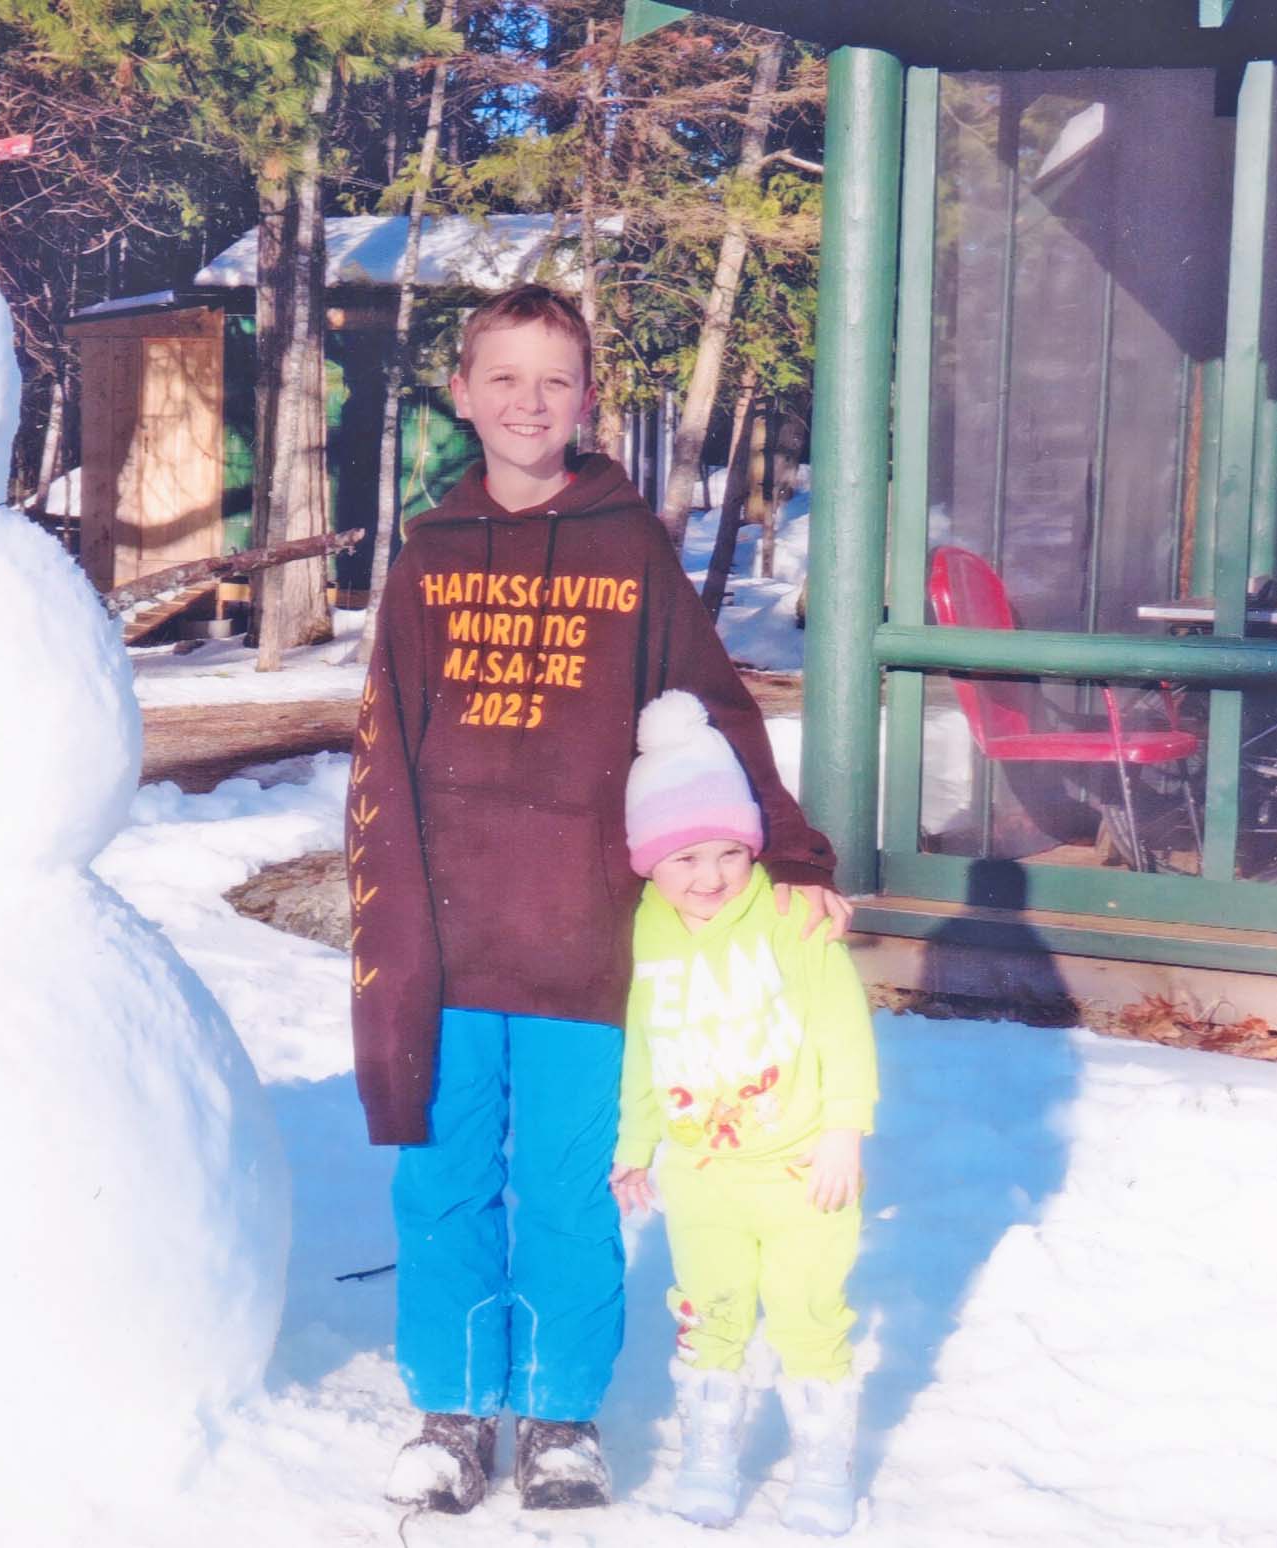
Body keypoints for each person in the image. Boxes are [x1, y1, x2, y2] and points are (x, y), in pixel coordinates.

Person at [348, 282, 848, 1515]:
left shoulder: (629, 549)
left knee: (574, 1182)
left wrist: (788, 857)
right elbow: (382, 749)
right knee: (444, 1176)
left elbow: (716, 707)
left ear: (586, 401)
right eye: (502, 378)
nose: (527, 402)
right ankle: (455, 1411)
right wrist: (389, 924)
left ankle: (561, 1417)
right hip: (449, 940)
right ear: (461, 396)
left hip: (585, 942)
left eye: (554, 381)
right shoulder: (428, 555)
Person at [609, 689, 878, 1536]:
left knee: (807, 1314)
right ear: (647, 861)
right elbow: (642, 1049)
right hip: (702, 1176)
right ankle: (710, 1450)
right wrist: (635, 1144)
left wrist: (843, 1130)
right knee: (709, 1310)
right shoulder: (643, 935)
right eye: (684, 859)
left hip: (803, 1172)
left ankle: (822, 1464)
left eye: (729, 853)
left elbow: (843, 1030)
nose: (711, 876)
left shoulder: (790, 921)